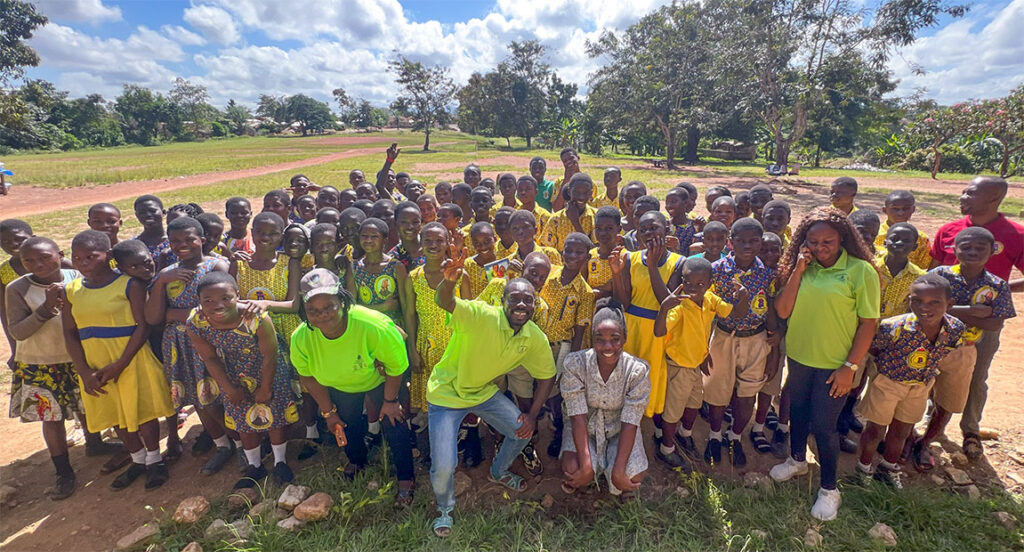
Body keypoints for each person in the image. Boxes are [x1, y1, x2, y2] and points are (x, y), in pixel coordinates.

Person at [426, 248, 556, 538]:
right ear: (502, 301)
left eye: (528, 300)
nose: (521, 305)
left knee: (521, 430)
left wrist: (532, 416)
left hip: (481, 393)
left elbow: (547, 377)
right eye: (515, 299)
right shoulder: (480, 315)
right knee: (445, 465)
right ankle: (445, 508)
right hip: (445, 395)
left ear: (535, 305)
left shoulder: (533, 336)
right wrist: (448, 281)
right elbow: (445, 301)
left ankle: (498, 471)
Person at [770, 207, 879, 522]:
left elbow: (868, 324)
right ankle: (796, 460)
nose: (820, 248)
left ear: (842, 238)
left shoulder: (861, 271)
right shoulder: (801, 267)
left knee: (824, 426)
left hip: (836, 364)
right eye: (813, 241)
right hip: (801, 356)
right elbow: (783, 310)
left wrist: (850, 366)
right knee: (798, 413)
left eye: (827, 242)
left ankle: (830, 489)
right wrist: (799, 270)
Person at [291, 269, 416, 507]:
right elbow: (307, 376)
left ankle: (406, 479)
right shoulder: (301, 338)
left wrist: (390, 402)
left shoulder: (371, 325)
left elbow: (397, 364)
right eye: (313, 311)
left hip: (381, 379)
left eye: (329, 306)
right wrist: (328, 412)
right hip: (342, 385)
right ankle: (357, 460)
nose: (323, 315)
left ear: (343, 300)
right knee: (344, 425)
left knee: (394, 424)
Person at [63, 230, 175, 490]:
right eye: (77, 258)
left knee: (143, 412)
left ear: (108, 256)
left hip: (130, 357)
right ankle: (137, 460)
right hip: (95, 363)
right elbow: (69, 332)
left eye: (91, 256)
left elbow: (142, 326)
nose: (83, 263)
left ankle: (155, 460)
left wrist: (120, 364)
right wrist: (83, 371)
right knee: (115, 413)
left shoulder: (129, 284)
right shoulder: (71, 290)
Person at [5, 237, 116, 500]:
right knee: (51, 418)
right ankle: (63, 471)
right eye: (29, 261)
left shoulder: (76, 277)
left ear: (60, 254)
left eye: (44, 257)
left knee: (88, 404)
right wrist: (45, 309)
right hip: (39, 363)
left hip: (76, 357)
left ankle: (95, 443)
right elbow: (18, 331)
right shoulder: (17, 288)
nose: (37, 264)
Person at [929, 177, 1023, 455]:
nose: (962, 196)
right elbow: (932, 271)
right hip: (943, 321)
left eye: (970, 193)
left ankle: (971, 430)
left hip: (984, 325)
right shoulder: (949, 230)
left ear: (993, 198)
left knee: (977, 376)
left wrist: (1001, 292)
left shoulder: (1015, 235)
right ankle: (932, 425)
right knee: (935, 370)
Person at [188, 272, 300, 488]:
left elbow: (270, 355)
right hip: (231, 367)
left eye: (225, 298)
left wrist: (266, 387)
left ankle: (280, 462)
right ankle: (254, 466)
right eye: (208, 300)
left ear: (237, 296)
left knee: (274, 411)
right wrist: (229, 388)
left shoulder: (256, 318)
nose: (217, 305)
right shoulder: (196, 322)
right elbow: (209, 357)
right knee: (242, 416)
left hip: (267, 366)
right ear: (199, 302)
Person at [854, 274, 965, 489]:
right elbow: (875, 348)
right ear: (909, 301)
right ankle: (863, 468)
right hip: (888, 384)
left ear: (949, 304)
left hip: (920, 386)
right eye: (918, 301)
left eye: (935, 302)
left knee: (902, 431)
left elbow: (946, 351)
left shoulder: (954, 329)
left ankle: (888, 468)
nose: (925, 308)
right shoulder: (893, 327)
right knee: (875, 430)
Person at [917, 227, 1015, 465]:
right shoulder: (940, 275)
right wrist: (974, 311)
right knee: (921, 384)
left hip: (973, 344)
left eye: (980, 248)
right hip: (935, 341)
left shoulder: (998, 285)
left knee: (966, 385)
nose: (972, 252)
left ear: (992, 251)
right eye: (966, 247)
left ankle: (954, 434)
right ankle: (915, 435)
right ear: (954, 249)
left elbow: (995, 324)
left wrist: (948, 310)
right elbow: (926, 310)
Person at [144, 216, 232, 470]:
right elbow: (153, 317)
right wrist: (161, 281)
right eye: (175, 241)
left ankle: (243, 442)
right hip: (179, 345)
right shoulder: (167, 274)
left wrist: (173, 314)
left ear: (202, 240)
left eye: (189, 239)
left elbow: (219, 310)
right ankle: (222, 444)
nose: (182, 245)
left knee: (222, 394)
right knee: (197, 396)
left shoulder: (217, 267)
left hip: (211, 340)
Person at [560, 302, 650, 499]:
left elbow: (630, 422)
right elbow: (577, 417)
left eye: (615, 339)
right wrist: (585, 466)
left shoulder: (637, 371)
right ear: (592, 340)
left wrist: (618, 471)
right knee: (572, 467)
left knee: (632, 475)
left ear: (624, 339)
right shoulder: (574, 364)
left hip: (619, 429)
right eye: (600, 339)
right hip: (585, 427)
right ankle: (589, 475)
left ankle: (610, 474)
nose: (607, 346)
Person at [653, 257, 733, 470]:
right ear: (682, 281)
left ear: (709, 284)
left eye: (700, 284)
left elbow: (728, 311)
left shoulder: (710, 300)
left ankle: (684, 435)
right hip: (679, 367)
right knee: (672, 412)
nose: (694, 289)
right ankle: (666, 449)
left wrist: (741, 297)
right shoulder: (679, 307)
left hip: (696, 366)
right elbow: (659, 332)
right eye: (688, 284)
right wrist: (663, 308)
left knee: (694, 406)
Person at [611, 210, 684, 423]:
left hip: (657, 329)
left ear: (667, 229)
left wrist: (652, 265)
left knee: (650, 377)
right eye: (643, 230)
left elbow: (666, 303)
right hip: (631, 327)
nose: (648, 233)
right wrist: (616, 273)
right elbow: (623, 302)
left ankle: (643, 422)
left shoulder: (679, 263)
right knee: (625, 374)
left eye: (654, 228)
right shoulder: (629, 258)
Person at [705, 218, 767, 468]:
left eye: (754, 241)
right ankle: (714, 435)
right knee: (718, 391)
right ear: (731, 241)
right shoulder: (717, 270)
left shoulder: (767, 272)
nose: (747, 246)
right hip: (724, 336)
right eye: (741, 240)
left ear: (761, 243)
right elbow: (708, 309)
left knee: (747, 395)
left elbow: (771, 308)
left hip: (756, 339)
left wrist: (772, 349)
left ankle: (735, 437)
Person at [539, 232, 596, 458]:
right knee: (540, 385)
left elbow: (579, 332)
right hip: (539, 341)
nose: (572, 255)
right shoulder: (549, 273)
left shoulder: (585, 293)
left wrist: (571, 363)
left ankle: (559, 429)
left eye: (578, 252)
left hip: (562, 347)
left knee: (558, 390)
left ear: (586, 256)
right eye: (568, 250)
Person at [409, 223, 470, 412]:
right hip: (426, 345)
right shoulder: (413, 277)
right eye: (427, 240)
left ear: (447, 243)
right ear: (421, 244)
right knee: (432, 401)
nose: (433, 245)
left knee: (458, 397)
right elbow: (410, 315)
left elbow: (470, 314)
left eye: (439, 240)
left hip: (456, 344)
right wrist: (412, 349)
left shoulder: (460, 275)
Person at [752, 232, 789, 458]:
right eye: (764, 250)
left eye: (774, 250)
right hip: (752, 335)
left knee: (769, 382)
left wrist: (780, 333)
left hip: (777, 337)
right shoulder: (751, 273)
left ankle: (758, 426)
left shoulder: (785, 277)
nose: (769, 254)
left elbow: (789, 312)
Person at [2, 219, 33, 370]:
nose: (13, 244)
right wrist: (15, 349)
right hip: (25, 330)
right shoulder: (4, 273)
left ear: (33, 237)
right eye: (5, 241)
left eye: (19, 239)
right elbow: (5, 313)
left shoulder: (53, 261)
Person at [876, 191, 932, 270]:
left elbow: (925, 267)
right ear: (885, 210)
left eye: (906, 209)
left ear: (913, 209)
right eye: (895, 209)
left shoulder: (921, 238)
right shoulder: (875, 234)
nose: (901, 213)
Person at [542, 173, 596, 251]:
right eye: (576, 192)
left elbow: (595, 251)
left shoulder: (596, 217)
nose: (581, 197)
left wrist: (575, 222)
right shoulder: (555, 219)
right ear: (569, 192)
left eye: (586, 193)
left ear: (591, 193)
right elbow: (548, 250)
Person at [133, 195, 176, 269]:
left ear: (163, 212)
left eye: (153, 211)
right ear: (136, 215)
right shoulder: (134, 245)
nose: (148, 215)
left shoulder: (176, 240)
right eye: (142, 212)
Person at [585, 206, 621, 295]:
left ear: (619, 229)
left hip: (615, 307)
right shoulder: (589, 256)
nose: (603, 233)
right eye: (598, 228)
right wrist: (604, 289)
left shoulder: (624, 257)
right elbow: (583, 285)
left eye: (609, 228)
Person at [464, 222, 498, 299]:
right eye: (477, 243)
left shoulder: (503, 260)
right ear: (472, 244)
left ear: (495, 239)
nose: (483, 247)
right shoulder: (468, 265)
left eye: (487, 241)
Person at [388, 201, 425, 271]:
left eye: (415, 222)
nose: (410, 227)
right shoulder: (392, 258)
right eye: (404, 222)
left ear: (421, 223)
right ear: (395, 224)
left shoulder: (433, 248)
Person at [665, 186, 699, 256]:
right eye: (667, 202)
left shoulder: (695, 225)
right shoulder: (666, 226)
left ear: (686, 203)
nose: (669, 206)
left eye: (673, 202)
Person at [550, 147, 582, 212]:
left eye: (571, 158)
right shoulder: (559, 183)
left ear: (578, 158)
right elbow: (556, 209)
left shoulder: (587, 182)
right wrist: (566, 181)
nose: (569, 162)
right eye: (565, 161)